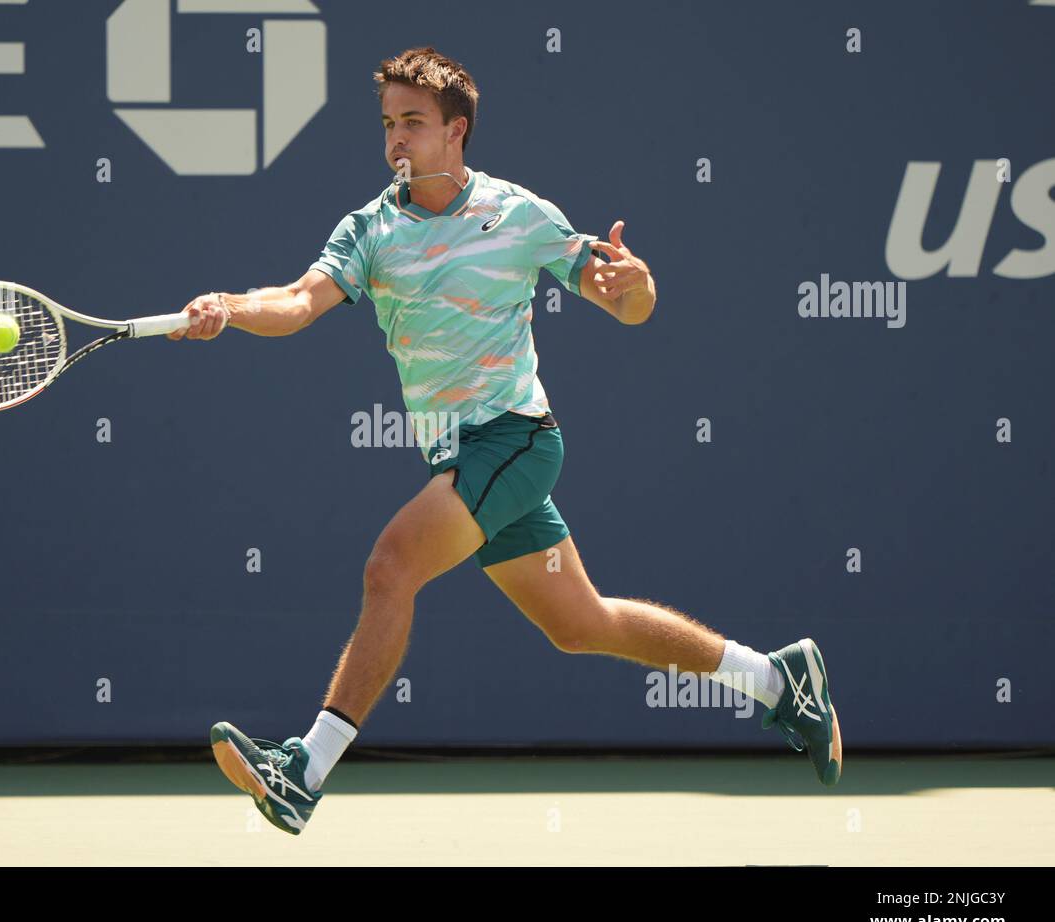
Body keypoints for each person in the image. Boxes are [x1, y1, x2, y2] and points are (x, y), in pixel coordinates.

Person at [168, 47, 841, 835]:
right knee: (581, 624)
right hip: (462, 458)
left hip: (514, 438)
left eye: (414, 123)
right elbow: (294, 301)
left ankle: (304, 770)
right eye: (388, 123)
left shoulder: (520, 215)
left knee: (390, 566)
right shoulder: (370, 229)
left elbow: (625, 305)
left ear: (456, 131)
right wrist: (230, 306)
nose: (397, 140)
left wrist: (639, 285)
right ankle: (778, 679)